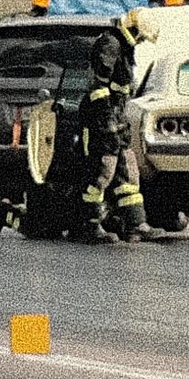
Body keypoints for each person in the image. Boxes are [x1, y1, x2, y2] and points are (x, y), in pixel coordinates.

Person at [74, 30, 149, 244]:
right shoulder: (110, 44)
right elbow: (98, 88)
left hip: (117, 119)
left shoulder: (124, 48)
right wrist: (107, 121)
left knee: (128, 172)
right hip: (101, 121)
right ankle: (89, 224)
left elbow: (122, 90)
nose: (143, 40)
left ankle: (135, 224)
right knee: (101, 171)